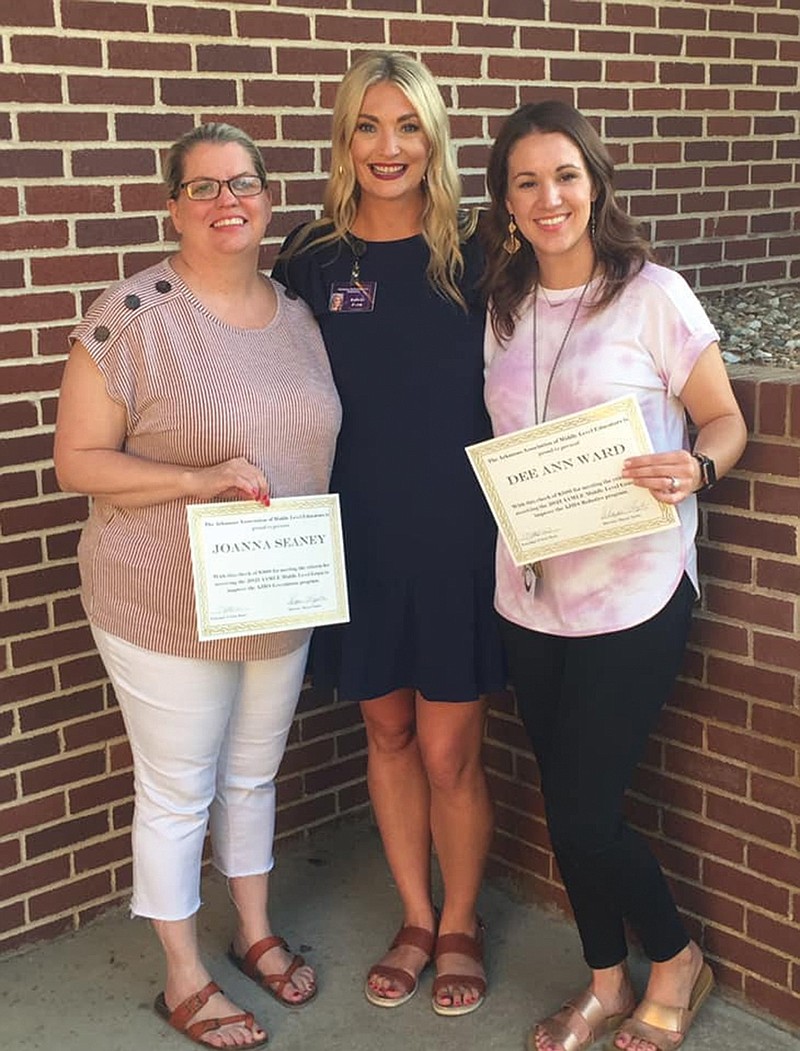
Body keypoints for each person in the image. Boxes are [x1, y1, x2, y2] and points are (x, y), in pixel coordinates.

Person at [54, 122, 342, 1048]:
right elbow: (76, 463)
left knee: (254, 774)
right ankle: (184, 975)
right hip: (161, 592)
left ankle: (255, 933)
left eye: (245, 184)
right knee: (179, 786)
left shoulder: (299, 314)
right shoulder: (130, 316)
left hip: (275, 585)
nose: (229, 202)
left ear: (268, 199)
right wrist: (195, 480)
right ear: (170, 205)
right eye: (205, 187)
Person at [480, 101, 746, 1051]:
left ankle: (676, 958)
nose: (548, 198)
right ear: (506, 204)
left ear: (593, 184)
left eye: (564, 176)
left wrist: (698, 467)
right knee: (563, 803)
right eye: (526, 182)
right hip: (532, 593)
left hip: (635, 593)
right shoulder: (504, 307)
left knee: (589, 813)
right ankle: (604, 979)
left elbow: (724, 420)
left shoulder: (654, 295)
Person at [273, 52, 505, 1016]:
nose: (388, 147)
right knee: (387, 726)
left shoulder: (486, 250)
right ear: (345, 138)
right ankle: (414, 914)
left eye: (407, 126)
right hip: (356, 530)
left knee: (451, 747)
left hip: (458, 532)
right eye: (368, 126)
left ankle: (461, 922)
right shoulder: (316, 256)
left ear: (434, 138)